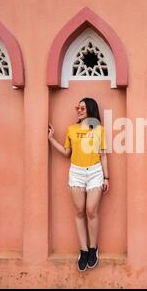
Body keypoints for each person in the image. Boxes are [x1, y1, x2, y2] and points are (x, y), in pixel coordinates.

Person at [48, 97, 109, 272]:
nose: (79, 110)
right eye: (77, 107)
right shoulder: (71, 129)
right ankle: (83, 250)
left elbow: (103, 155)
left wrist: (107, 178)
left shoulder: (99, 130)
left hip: (95, 172)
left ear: (90, 110)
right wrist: (52, 140)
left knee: (91, 210)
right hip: (76, 172)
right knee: (80, 211)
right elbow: (67, 152)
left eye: (82, 107)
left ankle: (93, 248)